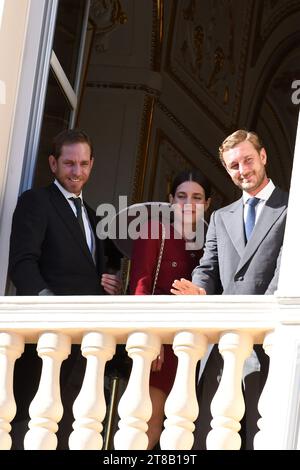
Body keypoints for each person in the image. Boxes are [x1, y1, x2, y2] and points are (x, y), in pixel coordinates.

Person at [171, 130, 289, 449]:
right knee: (209, 435)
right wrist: (198, 290)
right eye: (234, 165)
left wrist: (253, 322)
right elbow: (208, 268)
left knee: (260, 435)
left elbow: (286, 272)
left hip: (268, 342)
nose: (243, 170)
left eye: (248, 160)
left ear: (263, 157)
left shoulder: (292, 208)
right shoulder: (222, 217)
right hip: (222, 345)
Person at [8, 129, 122, 449]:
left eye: (84, 163)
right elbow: (22, 264)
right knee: (28, 428)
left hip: (84, 344)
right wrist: (52, 309)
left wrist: (110, 284)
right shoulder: (36, 201)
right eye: (69, 163)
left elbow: (91, 274)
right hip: (45, 339)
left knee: (70, 429)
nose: (77, 172)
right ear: (53, 163)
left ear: (92, 165)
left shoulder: (93, 215)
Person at [129, 170, 212, 449]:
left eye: (197, 197)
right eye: (182, 196)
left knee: (181, 431)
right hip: (160, 347)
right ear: (171, 200)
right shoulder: (155, 230)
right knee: (147, 425)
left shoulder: (211, 241)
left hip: (195, 346)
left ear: (207, 203)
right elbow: (140, 285)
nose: (189, 203)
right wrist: (151, 337)